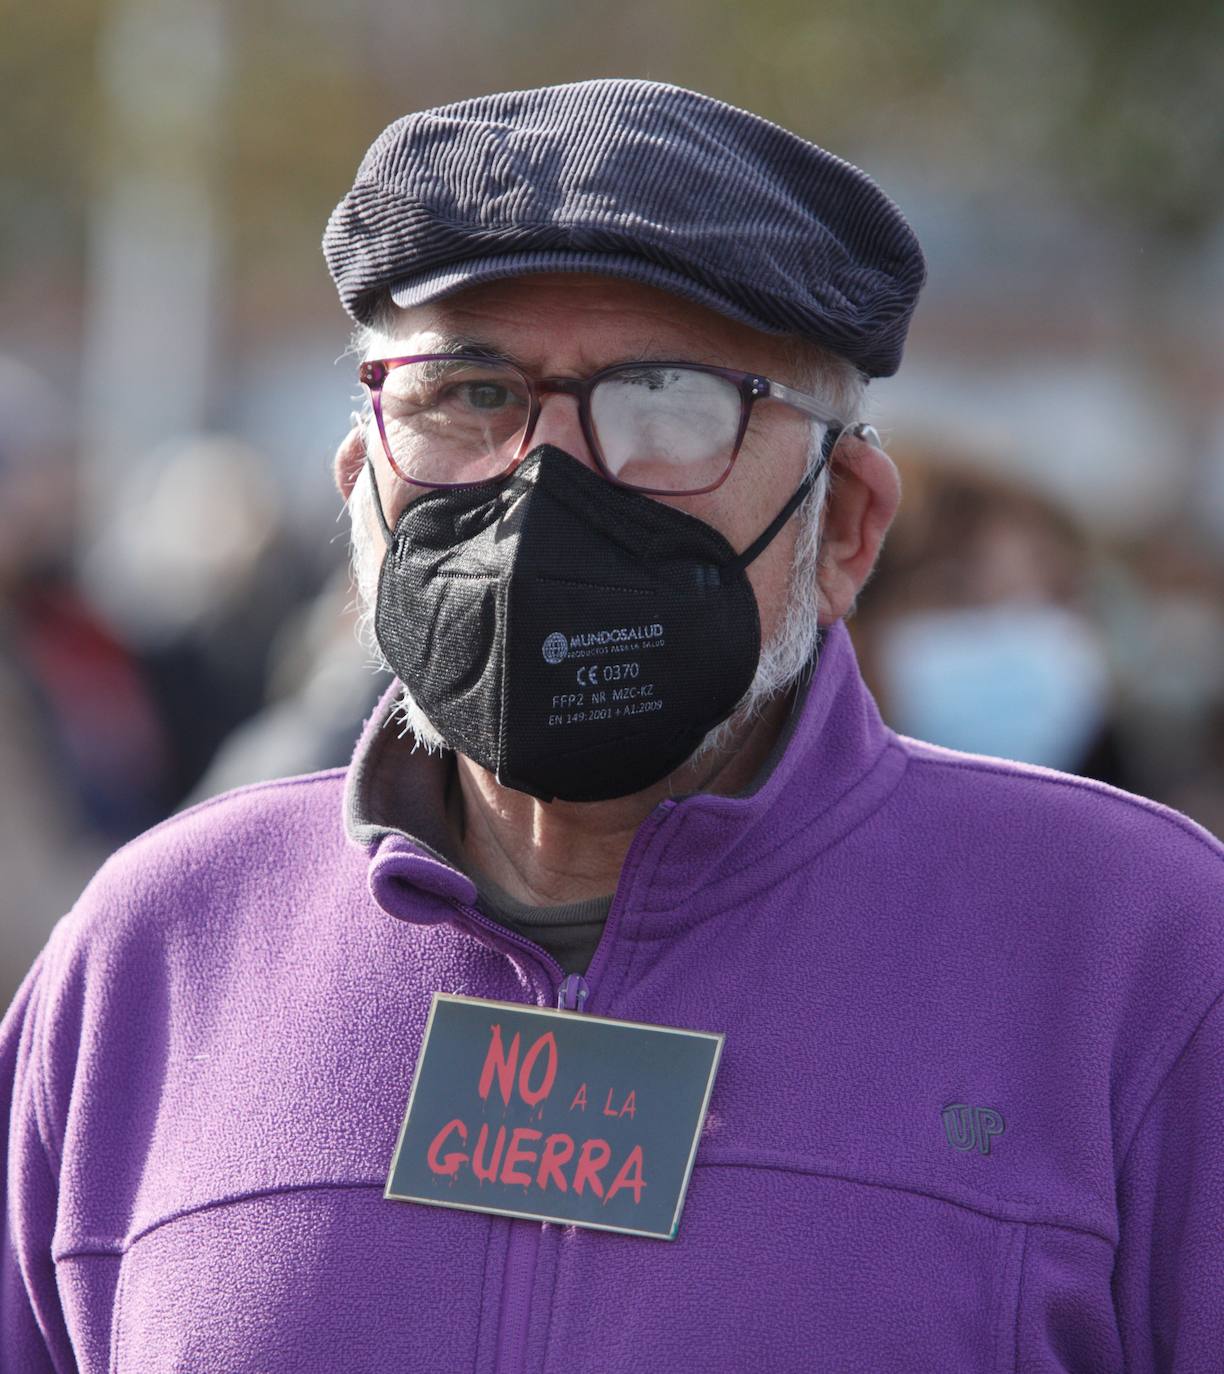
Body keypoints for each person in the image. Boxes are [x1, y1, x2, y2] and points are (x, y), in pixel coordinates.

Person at [2, 78, 1221, 1372]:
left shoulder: (1135, 954)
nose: (548, 485)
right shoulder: (160, 953)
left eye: (667, 402)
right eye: (471, 393)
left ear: (849, 523)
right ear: (359, 487)